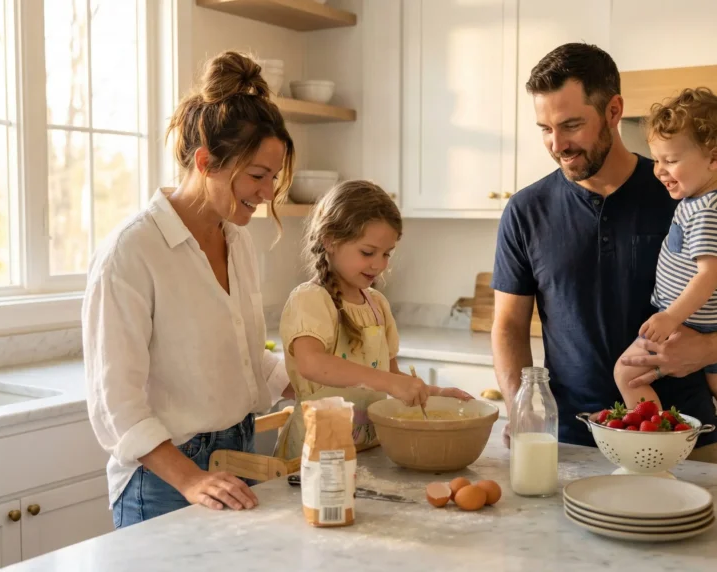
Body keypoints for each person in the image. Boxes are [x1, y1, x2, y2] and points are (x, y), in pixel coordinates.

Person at [491, 43, 717, 463]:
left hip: (685, 441)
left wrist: (713, 348)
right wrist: (522, 411)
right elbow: (508, 327)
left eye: (571, 125)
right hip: (572, 442)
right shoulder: (525, 211)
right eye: (545, 128)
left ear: (613, 111)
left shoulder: (686, 193)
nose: (557, 144)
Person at [82, 51, 296, 528]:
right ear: (205, 162)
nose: (268, 193)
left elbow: (239, 354)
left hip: (237, 459)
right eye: (258, 176)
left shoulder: (237, 241)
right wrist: (190, 479)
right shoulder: (131, 252)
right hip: (164, 479)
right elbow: (115, 403)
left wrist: (320, 377)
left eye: (273, 179)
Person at [614, 87, 717, 464]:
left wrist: (671, 317)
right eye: (657, 159)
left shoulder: (705, 211)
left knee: (628, 374)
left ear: (715, 158)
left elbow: (709, 275)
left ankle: (659, 442)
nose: (660, 170)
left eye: (672, 160)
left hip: (693, 320)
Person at [275, 180, 472, 459]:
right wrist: (388, 383)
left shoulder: (377, 304)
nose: (379, 264)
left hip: (366, 451)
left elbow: (390, 375)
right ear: (330, 240)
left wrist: (433, 392)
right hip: (313, 458)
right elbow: (313, 364)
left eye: (386, 254)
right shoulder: (311, 299)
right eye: (367, 252)